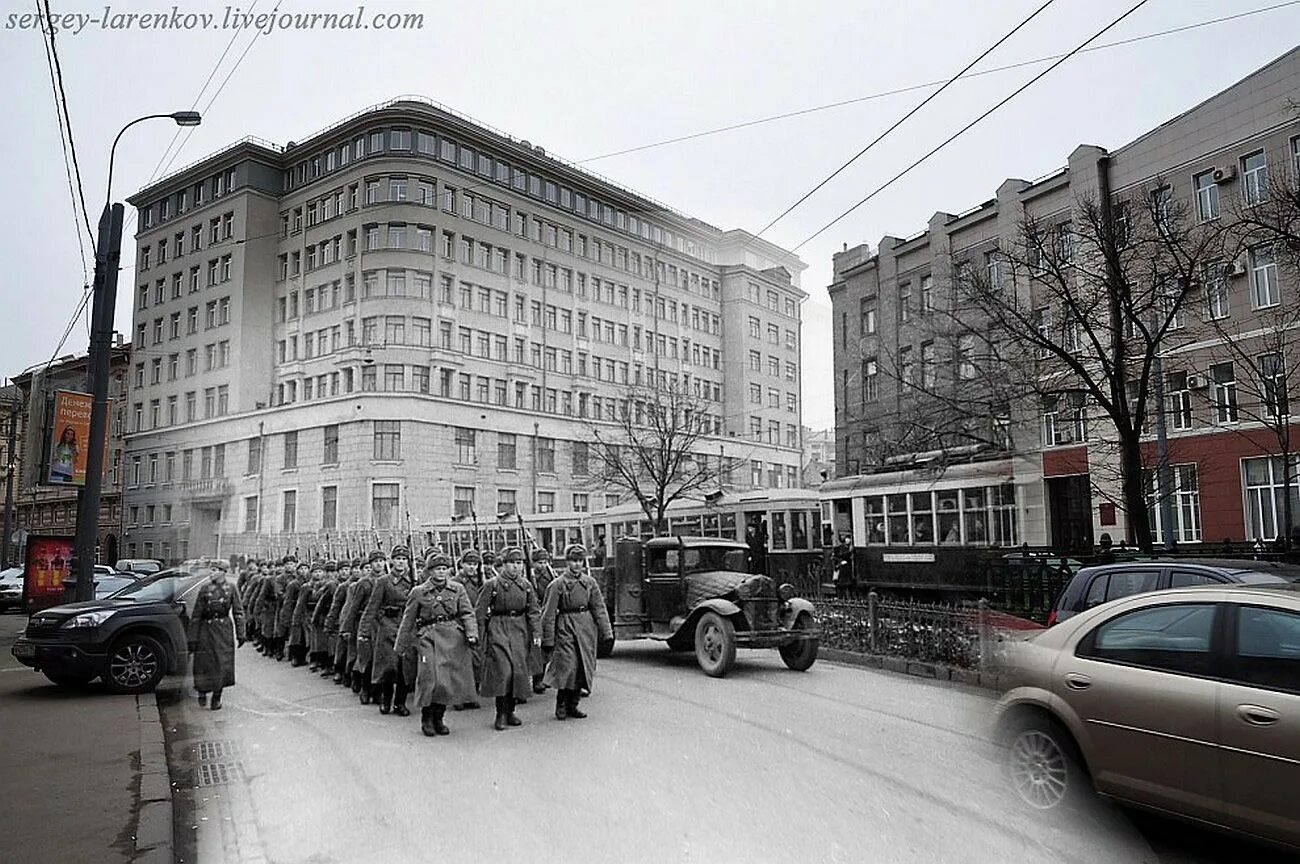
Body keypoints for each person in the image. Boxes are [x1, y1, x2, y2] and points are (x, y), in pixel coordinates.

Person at [395, 551, 479, 737]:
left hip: (452, 638)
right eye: (437, 569)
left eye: (444, 569)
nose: (441, 572)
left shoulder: (457, 589)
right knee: (429, 678)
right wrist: (401, 646)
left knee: (446, 681)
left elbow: (467, 613)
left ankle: (439, 718)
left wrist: (472, 633)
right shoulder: (418, 592)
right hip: (428, 637)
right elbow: (408, 620)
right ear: (430, 571)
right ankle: (427, 718)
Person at [540, 543, 614, 721]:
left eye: (580, 560)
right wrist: (548, 639)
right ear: (567, 562)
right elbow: (548, 614)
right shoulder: (557, 585)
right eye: (573, 560)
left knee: (582, 667)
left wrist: (607, 631)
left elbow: (599, 608)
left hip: (586, 628)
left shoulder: (590, 583)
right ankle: (562, 704)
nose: (577, 564)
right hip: (566, 627)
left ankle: (574, 704)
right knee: (567, 667)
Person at [475, 546, 542, 731]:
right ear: (503, 565)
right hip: (498, 628)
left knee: (518, 673)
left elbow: (534, 611)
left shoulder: (526, 585)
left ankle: (511, 711)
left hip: (520, 630)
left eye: (519, 563)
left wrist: (536, 633)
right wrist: (478, 637)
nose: (515, 567)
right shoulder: (492, 585)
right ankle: (500, 714)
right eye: (511, 563)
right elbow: (479, 613)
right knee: (503, 672)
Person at [361, 546, 415, 716]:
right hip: (387, 625)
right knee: (389, 666)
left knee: (404, 667)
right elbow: (372, 606)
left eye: (404, 559)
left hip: (407, 625)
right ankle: (386, 699)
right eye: (398, 558)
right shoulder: (383, 581)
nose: (401, 562)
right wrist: (364, 630)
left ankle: (400, 703)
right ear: (392, 561)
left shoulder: (414, 580)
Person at [189, 566, 246, 711]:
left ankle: (216, 697)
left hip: (223, 629)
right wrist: (193, 638)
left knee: (222, 663)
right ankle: (202, 691)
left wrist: (241, 633)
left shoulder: (231, 588)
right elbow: (196, 615)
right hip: (205, 629)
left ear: (223, 572)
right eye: (211, 570)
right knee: (203, 662)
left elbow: (238, 612)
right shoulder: (204, 589)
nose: (211, 573)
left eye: (214, 570)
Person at [343, 552, 383, 703]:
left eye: (381, 561)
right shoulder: (363, 583)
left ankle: (377, 691)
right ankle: (365, 689)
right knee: (367, 658)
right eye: (375, 562)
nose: (379, 564)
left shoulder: (388, 580)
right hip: (366, 622)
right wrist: (346, 627)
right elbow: (353, 607)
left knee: (382, 659)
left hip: (383, 623)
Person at [452, 550, 485, 710]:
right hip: (459, 623)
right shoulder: (455, 582)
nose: (472, 567)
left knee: (477, 660)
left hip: (478, 623)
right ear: (461, 564)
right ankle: (459, 696)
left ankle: (471, 694)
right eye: (469, 564)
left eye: (475, 564)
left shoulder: (481, 580)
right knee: (460, 662)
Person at [528, 548, 557, 694]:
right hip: (533, 615)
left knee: (547, 647)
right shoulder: (528, 575)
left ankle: (540, 679)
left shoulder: (550, 576)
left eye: (545, 562)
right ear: (533, 563)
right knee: (534, 649)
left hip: (547, 614)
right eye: (540, 562)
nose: (543, 565)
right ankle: (534, 680)